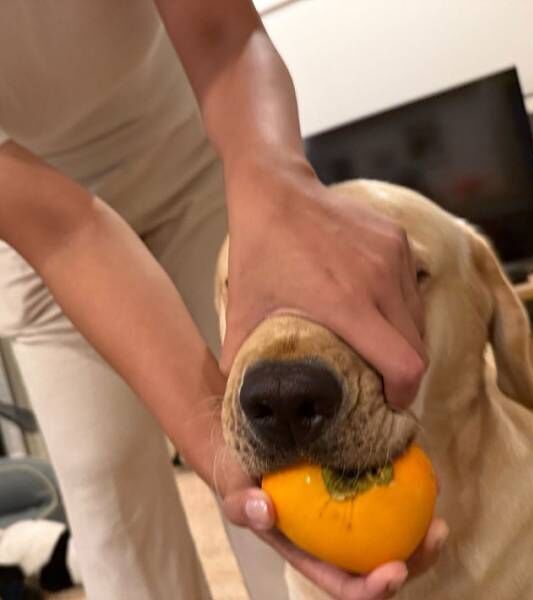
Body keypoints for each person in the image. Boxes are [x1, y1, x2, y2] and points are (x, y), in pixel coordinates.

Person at [0, 1, 448, 599]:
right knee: (109, 498)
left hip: (196, 158)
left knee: (275, 469)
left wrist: (279, 180)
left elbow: (223, 38)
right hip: (37, 232)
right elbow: (65, 230)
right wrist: (205, 439)